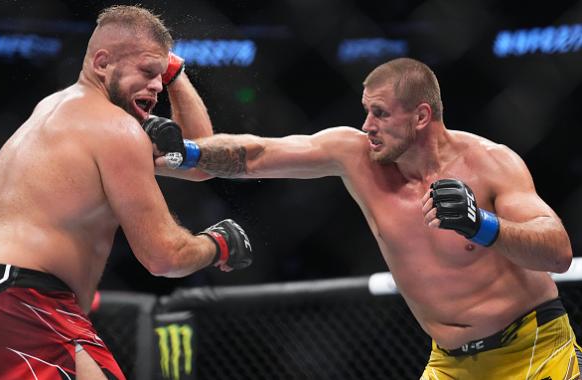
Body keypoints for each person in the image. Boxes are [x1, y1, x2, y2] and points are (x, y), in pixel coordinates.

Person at [157, 57, 580, 379]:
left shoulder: (490, 164)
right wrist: (189, 152)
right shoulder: (355, 155)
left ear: (421, 116)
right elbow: (259, 153)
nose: (367, 125)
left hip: (533, 349)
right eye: (366, 111)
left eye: (380, 113)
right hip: (448, 363)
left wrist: (481, 225)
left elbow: (558, 252)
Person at [0, 5, 252, 380]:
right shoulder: (116, 129)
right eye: (148, 72)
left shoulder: (53, 110)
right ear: (102, 63)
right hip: (24, 300)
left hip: (17, 295)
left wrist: (175, 73)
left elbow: (198, 160)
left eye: (162, 76)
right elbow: (165, 256)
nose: (158, 86)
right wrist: (219, 243)